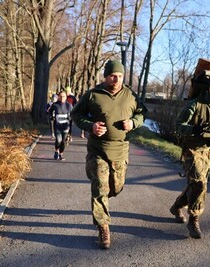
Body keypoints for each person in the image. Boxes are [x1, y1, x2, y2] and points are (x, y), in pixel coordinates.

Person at [71, 60, 147, 249]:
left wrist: (134, 123)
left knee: (116, 187)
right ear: (106, 76)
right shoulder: (93, 95)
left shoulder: (130, 95)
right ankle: (103, 227)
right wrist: (91, 126)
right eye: (113, 75)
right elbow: (76, 114)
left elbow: (142, 113)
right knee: (100, 188)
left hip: (120, 151)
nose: (116, 79)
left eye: (120, 76)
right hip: (98, 150)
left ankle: (106, 201)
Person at [169, 73, 210, 239]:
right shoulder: (195, 104)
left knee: (195, 183)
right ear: (209, 87)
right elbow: (178, 125)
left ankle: (177, 206)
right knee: (199, 182)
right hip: (192, 149)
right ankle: (194, 219)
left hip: (208, 151)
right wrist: (193, 130)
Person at [48, 91, 73, 161]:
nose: (62, 98)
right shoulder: (55, 105)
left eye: (64, 96)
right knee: (59, 140)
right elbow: (49, 112)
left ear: (66, 97)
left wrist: (70, 118)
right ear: (58, 97)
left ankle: (61, 154)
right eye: (60, 96)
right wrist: (51, 116)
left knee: (63, 142)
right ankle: (56, 151)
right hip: (57, 126)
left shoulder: (69, 105)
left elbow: (73, 115)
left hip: (66, 127)